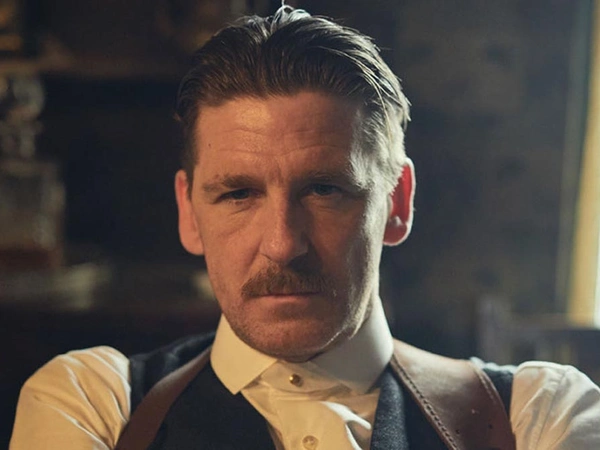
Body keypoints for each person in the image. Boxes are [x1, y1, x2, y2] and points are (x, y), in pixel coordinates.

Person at [10, 6, 600, 450]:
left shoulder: (537, 415)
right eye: (238, 194)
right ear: (189, 213)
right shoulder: (97, 405)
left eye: (324, 190)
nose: (282, 245)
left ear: (397, 202)